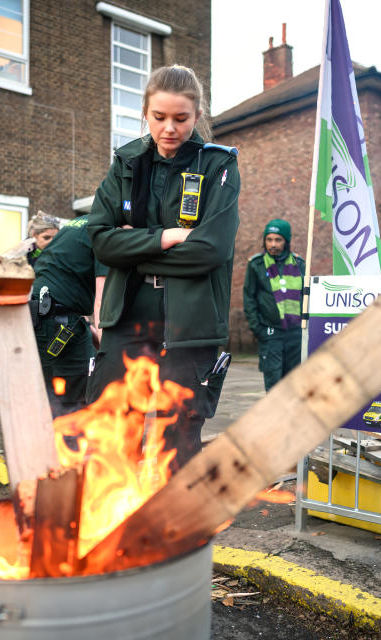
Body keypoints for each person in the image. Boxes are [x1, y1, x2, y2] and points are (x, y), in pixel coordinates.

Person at [87, 64, 240, 471]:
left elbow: (211, 249)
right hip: (129, 316)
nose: (169, 128)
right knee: (116, 425)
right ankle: (118, 524)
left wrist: (134, 250)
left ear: (198, 115)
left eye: (181, 118)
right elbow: (100, 238)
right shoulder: (125, 163)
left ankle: (176, 526)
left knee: (179, 435)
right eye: (159, 117)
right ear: (144, 112)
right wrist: (165, 237)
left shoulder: (218, 166)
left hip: (189, 323)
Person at [31, 214, 106, 416]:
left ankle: (61, 435)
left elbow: (68, 276)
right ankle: (66, 440)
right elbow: (101, 298)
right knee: (74, 384)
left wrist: (86, 325)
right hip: (56, 317)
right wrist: (105, 341)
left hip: (51, 312)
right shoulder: (105, 231)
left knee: (62, 383)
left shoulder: (80, 224)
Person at [243, 218, 306, 391]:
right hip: (270, 333)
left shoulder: (299, 264)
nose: (273, 244)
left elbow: (306, 296)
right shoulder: (256, 264)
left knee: (293, 381)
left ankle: (291, 416)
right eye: (269, 239)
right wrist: (258, 329)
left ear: (286, 241)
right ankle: (274, 417)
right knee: (273, 381)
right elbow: (249, 298)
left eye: (278, 240)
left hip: (295, 333)